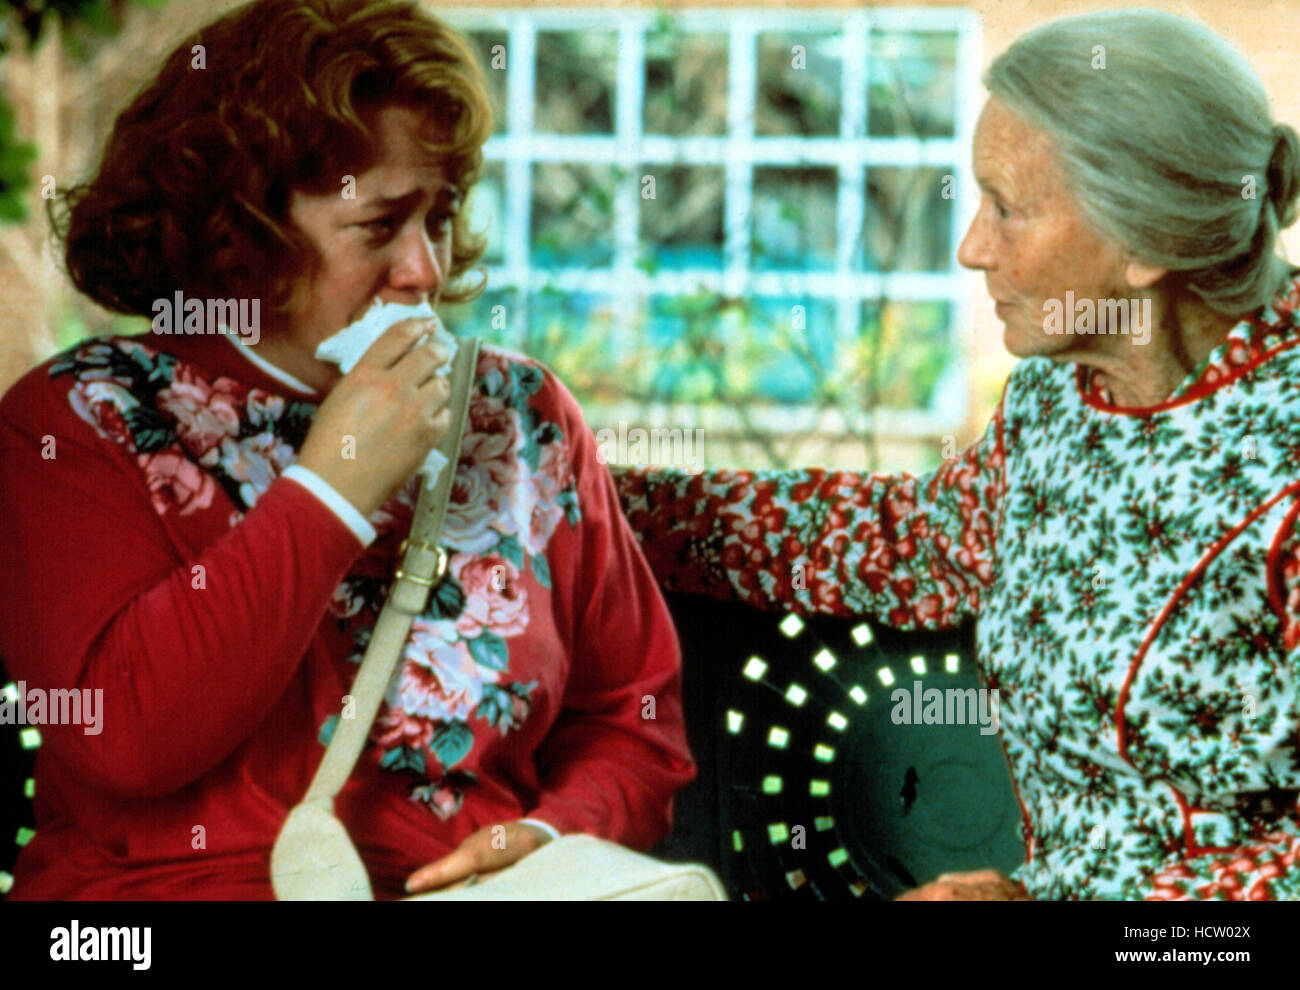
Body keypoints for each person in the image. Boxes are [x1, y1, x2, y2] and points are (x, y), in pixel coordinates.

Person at [0, 0, 693, 900]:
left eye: (439, 218)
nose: (426, 272)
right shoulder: (79, 417)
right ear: (243, 231)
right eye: (380, 226)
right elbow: (124, 737)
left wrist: (549, 832)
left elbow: (633, 720)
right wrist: (331, 488)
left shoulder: (521, 415)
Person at [615, 9, 1300, 901]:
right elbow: (914, 545)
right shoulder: (1065, 394)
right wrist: (591, 499)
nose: (972, 247)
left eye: (1008, 210)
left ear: (1146, 244)